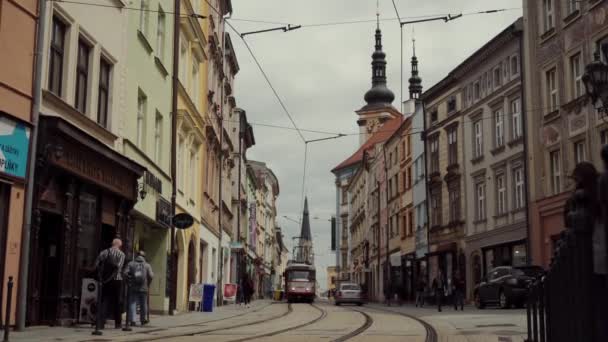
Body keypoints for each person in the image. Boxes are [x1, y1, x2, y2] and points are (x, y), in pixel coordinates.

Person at [95, 238, 126, 329]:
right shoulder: (122, 254)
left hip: (105, 280)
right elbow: (119, 267)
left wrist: (101, 276)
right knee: (117, 301)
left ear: (112, 244)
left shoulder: (104, 252)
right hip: (117, 280)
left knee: (104, 300)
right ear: (119, 245)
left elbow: (97, 264)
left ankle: (101, 323)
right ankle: (118, 323)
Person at [124, 251, 154, 326]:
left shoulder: (131, 264)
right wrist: (148, 283)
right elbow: (151, 276)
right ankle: (143, 320)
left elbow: (125, 273)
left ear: (137, 256)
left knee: (132, 303)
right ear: (144, 256)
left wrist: (129, 281)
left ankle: (133, 320)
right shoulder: (147, 265)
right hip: (144, 287)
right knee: (143, 304)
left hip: (133, 287)